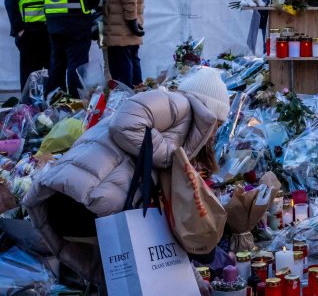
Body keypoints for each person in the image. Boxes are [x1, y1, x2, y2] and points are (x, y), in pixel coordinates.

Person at [24, 66, 230, 286]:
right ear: (211, 113)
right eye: (217, 125)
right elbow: (126, 124)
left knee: (123, 281)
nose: (215, 132)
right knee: (129, 278)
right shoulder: (178, 105)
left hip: (77, 204)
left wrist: (195, 283)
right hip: (84, 204)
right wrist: (172, 158)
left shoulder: (177, 129)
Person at [5, 0, 49, 91]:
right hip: (29, 30)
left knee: (50, 70)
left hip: (46, 28)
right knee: (30, 72)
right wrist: (19, 30)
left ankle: (47, 105)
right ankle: (27, 107)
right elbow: (11, 3)